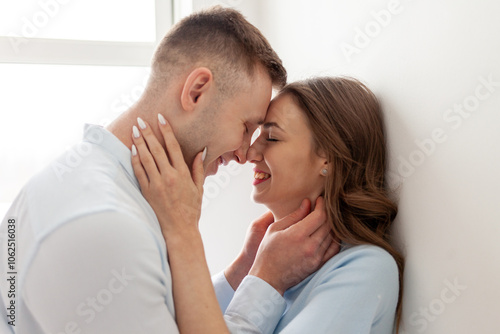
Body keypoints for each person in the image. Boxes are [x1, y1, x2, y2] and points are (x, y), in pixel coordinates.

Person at [0, 7, 337, 333]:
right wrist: (266, 282)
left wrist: (239, 276)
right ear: (196, 92)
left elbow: (159, 313)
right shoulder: (106, 226)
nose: (246, 152)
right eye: (247, 126)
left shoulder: (82, 183)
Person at [132, 77, 405, 333]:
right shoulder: (277, 260)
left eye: (271, 138)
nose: (250, 153)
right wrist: (243, 271)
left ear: (329, 159)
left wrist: (266, 278)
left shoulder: (366, 269)